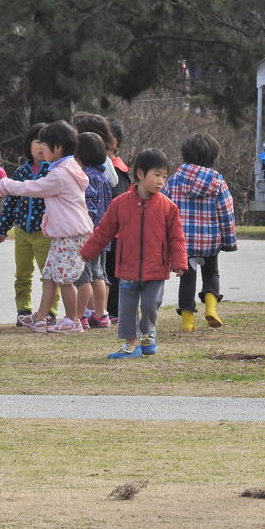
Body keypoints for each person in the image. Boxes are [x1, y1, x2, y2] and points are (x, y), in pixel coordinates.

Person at [81, 148, 188, 358]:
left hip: (156, 268)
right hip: (127, 268)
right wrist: (88, 251)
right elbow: (104, 231)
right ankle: (131, 344)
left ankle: (149, 332)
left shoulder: (169, 208)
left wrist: (179, 262)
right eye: (156, 175)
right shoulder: (120, 203)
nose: (161, 181)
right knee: (126, 309)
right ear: (140, 174)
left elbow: (177, 238)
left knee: (150, 305)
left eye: (164, 177)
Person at [0, 120, 93, 333]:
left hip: (71, 234)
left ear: (57, 147)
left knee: (65, 278)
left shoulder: (61, 173)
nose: (42, 149)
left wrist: (4, 185)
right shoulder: (65, 168)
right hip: (63, 234)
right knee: (50, 275)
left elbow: (34, 188)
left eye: (45, 145)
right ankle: (40, 317)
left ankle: (72, 320)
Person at [163, 133, 237, 332]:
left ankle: (188, 322)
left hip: (182, 243)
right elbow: (226, 213)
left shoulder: (173, 181)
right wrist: (229, 241)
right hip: (210, 242)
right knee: (211, 273)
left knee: (187, 279)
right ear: (212, 156)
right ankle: (211, 308)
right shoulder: (218, 183)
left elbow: (162, 211)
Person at [0, 123, 60, 325]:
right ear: (29, 145)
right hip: (22, 231)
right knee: (22, 274)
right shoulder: (21, 172)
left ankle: (49, 312)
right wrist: (1, 229)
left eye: (46, 143)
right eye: (37, 142)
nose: (41, 148)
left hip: (45, 233)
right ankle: (23, 310)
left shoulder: (55, 171)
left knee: (48, 275)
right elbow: (11, 201)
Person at [73, 133, 113, 329]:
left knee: (84, 276)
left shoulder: (85, 175)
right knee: (99, 274)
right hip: (104, 234)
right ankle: (101, 314)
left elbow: (89, 205)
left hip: (88, 235)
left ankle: (79, 316)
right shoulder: (104, 175)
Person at [105, 117, 130, 323]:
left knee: (112, 273)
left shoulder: (117, 170)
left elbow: (118, 204)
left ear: (113, 143)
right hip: (109, 234)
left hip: (115, 234)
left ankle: (114, 312)